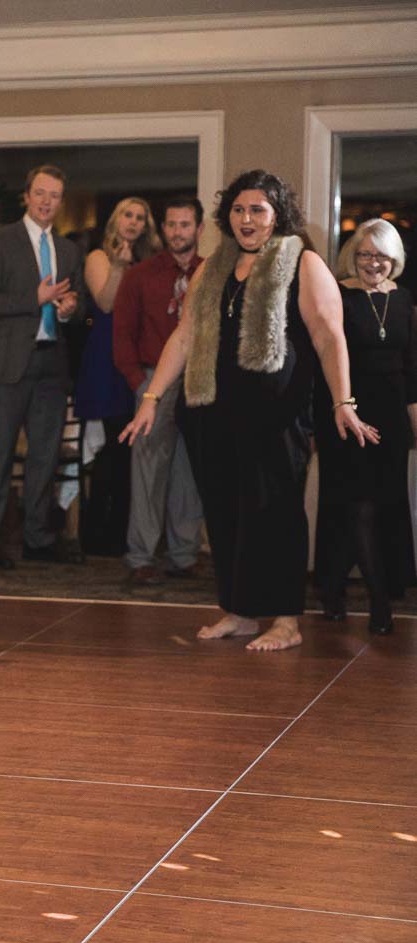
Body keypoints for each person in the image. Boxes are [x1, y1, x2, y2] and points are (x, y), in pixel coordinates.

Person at [122, 169, 378, 652]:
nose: (246, 219)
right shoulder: (213, 269)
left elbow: (329, 337)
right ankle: (239, 611)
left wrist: (344, 401)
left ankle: (285, 619)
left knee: (276, 515)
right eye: (238, 209)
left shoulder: (303, 263)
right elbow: (184, 336)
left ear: (277, 214)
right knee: (226, 514)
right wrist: (151, 399)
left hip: (277, 417)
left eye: (257, 209)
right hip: (213, 414)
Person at [0, 165, 85, 568]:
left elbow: (78, 303)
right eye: (40, 193)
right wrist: (33, 298)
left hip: (52, 361)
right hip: (4, 365)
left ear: (61, 201)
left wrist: (69, 308)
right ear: (27, 195)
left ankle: (39, 538)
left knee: (45, 455)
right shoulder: (0, 241)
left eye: (54, 195)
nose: (46, 201)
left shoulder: (68, 250)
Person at [313, 219, 416, 634]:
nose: (374, 263)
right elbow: (324, 357)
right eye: (365, 254)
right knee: (356, 505)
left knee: (380, 506)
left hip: (390, 419)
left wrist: (413, 420)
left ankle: (333, 587)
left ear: (396, 259)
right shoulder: (338, 294)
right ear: (351, 256)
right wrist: (339, 408)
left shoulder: (404, 299)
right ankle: (378, 600)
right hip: (346, 412)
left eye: (382, 256)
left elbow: (411, 369)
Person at [114, 197, 206, 585]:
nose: (177, 232)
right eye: (171, 224)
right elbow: (122, 335)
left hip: (199, 382)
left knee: (190, 472)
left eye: (185, 224)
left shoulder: (212, 273)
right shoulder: (140, 275)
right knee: (148, 471)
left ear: (200, 229)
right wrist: (140, 384)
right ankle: (141, 557)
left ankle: (184, 555)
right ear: (163, 227)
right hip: (153, 382)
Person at [75, 197, 160, 556]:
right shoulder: (99, 257)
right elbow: (106, 303)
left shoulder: (150, 261)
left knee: (132, 449)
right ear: (116, 219)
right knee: (111, 448)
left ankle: (127, 532)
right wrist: (120, 267)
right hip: (105, 358)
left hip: (138, 357)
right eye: (128, 214)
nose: (134, 222)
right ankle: (97, 534)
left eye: (141, 217)